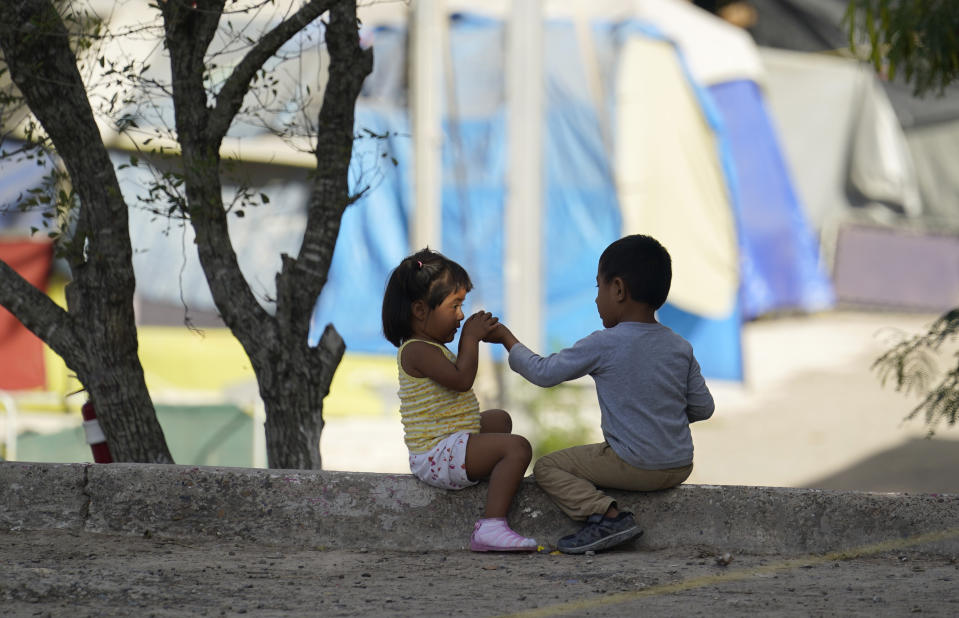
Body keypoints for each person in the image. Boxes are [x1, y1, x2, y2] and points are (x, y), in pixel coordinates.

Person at [484, 234, 714, 554]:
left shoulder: (604, 343)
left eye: (598, 288)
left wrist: (508, 339)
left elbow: (543, 373)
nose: (595, 300)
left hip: (635, 465)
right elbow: (703, 408)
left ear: (618, 289)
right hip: (679, 465)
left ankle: (608, 516)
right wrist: (661, 409)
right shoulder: (679, 346)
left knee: (548, 467)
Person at [382, 248, 538, 552]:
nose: (461, 315)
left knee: (500, 420)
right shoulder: (416, 350)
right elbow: (461, 379)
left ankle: (487, 470)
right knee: (518, 447)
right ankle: (491, 526)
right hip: (435, 455)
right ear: (419, 310)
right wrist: (471, 338)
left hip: (449, 440)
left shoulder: (431, 347)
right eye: (455, 306)